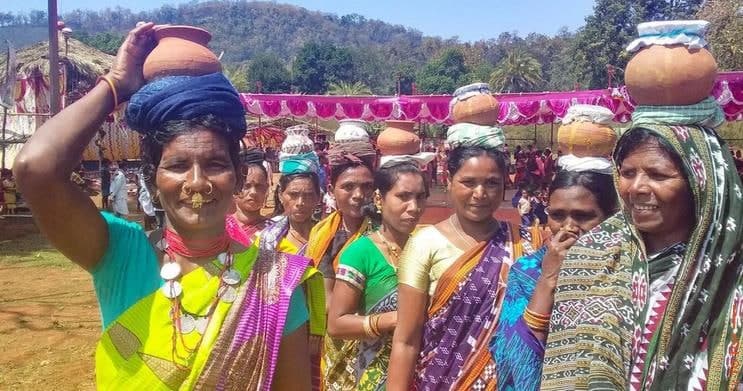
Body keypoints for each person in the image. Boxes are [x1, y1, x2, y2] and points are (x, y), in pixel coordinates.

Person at [13, 23, 311, 390]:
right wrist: (116, 85)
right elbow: (35, 169)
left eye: (215, 165)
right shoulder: (120, 254)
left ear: (236, 174)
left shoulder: (274, 285)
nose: (197, 182)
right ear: (153, 176)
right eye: (178, 165)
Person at [542, 125, 743, 386]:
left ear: (701, 182)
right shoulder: (593, 256)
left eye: (658, 175)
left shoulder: (730, 271)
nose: (636, 188)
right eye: (627, 173)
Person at [387, 121, 542, 390]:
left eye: (492, 183)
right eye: (468, 182)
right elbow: (406, 340)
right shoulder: (425, 244)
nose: (480, 194)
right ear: (449, 182)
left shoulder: (526, 242)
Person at [491, 167, 618, 390]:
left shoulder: (627, 273)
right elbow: (514, 353)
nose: (568, 228)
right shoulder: (526, 272)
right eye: (557, 216)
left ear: (612, 217)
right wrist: (549, 278)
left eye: (583, 216)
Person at [326, 126, 433, 390]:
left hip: (428, 372)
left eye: (420, 197)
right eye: (403, 197)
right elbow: (337, 324)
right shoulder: (361, 252)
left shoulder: (428, 244)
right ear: (379, 198)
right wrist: (395, 319)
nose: (414, 208)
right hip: (376, 376)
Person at [226, 148, 269, 246]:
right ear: (234, 188)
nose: (253, 192)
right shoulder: (219, 229)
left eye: (259, 186)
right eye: (247, 186)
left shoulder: (275, 231)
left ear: (266, 189)